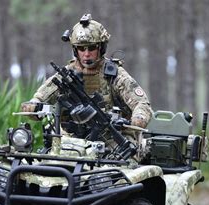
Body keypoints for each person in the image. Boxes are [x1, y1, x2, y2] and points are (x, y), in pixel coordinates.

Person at [21, 14, 153, 140]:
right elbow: (38, 100)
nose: (86, 54)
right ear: (75, 50)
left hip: (113, 139)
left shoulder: (114, 74)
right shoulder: (66, 76)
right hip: (72, 140)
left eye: (91, 48)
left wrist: (137, 119)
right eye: (81, 49)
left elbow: (142, 104)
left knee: (126, 162)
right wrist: (34, 107)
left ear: (101, 48)